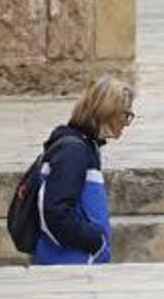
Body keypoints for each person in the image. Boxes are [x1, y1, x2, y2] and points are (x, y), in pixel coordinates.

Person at [34, 76, 134, 266]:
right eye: (125, 115)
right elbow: (56, 212)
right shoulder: (74, 151)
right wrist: (96, 242)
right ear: (108, 112)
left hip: (79, 263)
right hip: (70, 265)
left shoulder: (85, 146)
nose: (126, 123)